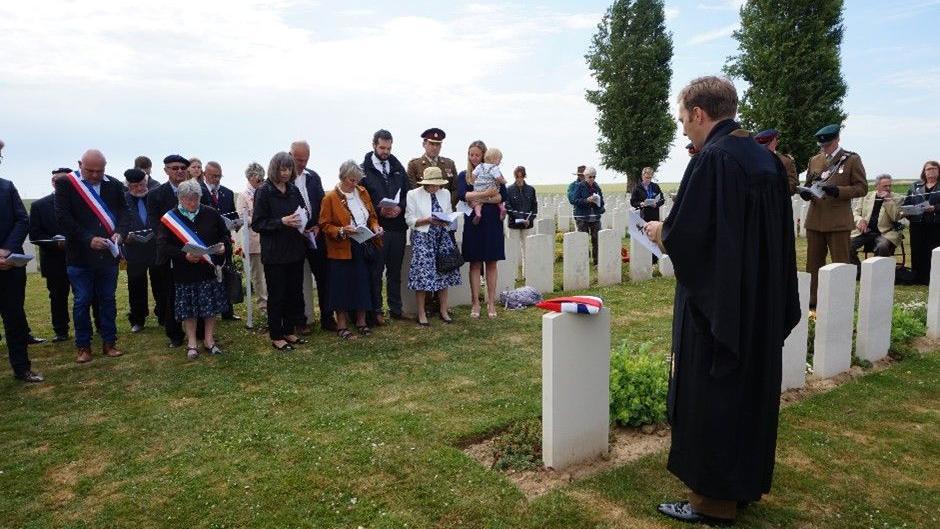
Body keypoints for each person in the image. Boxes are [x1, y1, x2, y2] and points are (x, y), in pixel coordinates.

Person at [644, 75, 800, 526]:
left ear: (699, 113)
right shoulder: (765, 159)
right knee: (749, 394)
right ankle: (743, 484)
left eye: (683, 121)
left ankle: (712, 500)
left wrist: (661, 232)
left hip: (721, 309)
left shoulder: (712, 158)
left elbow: (691, 234)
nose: (684, 131)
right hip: (758, 303)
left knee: (714, 392)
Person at [55, 150, 132, 363]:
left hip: (108, 254)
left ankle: (109, 342)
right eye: (90, 171)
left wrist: (121, 233)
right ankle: (83, 346)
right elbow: (63, 219)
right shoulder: (66, 185)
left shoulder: (114, 185)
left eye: (100, 170)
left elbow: (125, 213)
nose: (96, 175)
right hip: (80, 256)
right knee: (82, 300)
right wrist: (87, 239)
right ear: (80, 165)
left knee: (107, 299)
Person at [157, 180, 230, 360]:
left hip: (208, 270)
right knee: (189, 310)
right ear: (179, 198)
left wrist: (223, 246)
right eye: (187, 199)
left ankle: (209, 340)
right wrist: (184, 256)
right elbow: (163, 245)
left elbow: (224, 235)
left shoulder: (211, 213)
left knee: (210, 308)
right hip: (184, 272)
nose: (192, 203)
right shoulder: (170, 218)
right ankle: (191, 342)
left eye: (195, 199)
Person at [798, 124, 867, 308]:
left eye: (827, 145)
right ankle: (813, 301)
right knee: (813, 264)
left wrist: (838, 191)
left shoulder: (851, 160)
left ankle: (840, 303)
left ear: (836, 140)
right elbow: (810, 183)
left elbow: (862, 188)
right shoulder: (815, 160)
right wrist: (806, 193)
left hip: (838, 221)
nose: (824, 149)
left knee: (840, 264)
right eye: (821, 146)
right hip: (815, 220)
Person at [147, 155, 212, 347]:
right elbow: (155, 224)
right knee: (172, 295)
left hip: (197, 251)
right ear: (166, 170)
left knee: (199, 292)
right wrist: (178, 248)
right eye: (174, 168)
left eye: (183, 167)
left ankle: (200, 332)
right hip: (171, 253)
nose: (179, 171)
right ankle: (175, 334)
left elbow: (207, 217)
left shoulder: (199, 191)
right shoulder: (156, 195)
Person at [251, 152, 311, 351]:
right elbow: (258, 223)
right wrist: (282, 222)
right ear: (274, 169)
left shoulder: (293, 189)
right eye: (282, 169)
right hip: (275, 252)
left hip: (294, 249)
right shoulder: (264, 191)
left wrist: (302, 219)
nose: (286, 173)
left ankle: (289, 330)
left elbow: (304, 210)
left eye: (289, 169)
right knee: (277, 295)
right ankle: (276, 334)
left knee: (293, 293)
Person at [319, 161, 384, 339]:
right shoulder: (330, 198)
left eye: (357, 180)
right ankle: (341, 325)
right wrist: (341, 230)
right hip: (342, 248)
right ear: (343, 177)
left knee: (363, 283)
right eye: (351, 180)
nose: (354, 183)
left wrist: (376, 226)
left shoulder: (362, 192)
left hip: (363, 244)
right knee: (342, 286)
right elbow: (324, 225)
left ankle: (362, 322)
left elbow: (372, 216)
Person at [0, 139, 43, 382]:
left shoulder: (6, 188)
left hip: (9, 267)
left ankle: (21, 367)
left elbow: (21, 220)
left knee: (14, 319)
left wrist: (6, 250)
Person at [360, 129, 409, 322]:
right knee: (376, 271)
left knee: (395, 271)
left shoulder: (397, 167)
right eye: (382, 147)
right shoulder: (364, 169)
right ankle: (376, 310)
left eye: (388, 148)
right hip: (377, 227)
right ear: (374, 145)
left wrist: (400, 207)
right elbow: (361, 197)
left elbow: (408, 193)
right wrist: (378, 211)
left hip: (397, 226)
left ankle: (396, 309)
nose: (385, 151)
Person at [406, 167, 462, 326]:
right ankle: (422, 313)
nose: (435, 188)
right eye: (432, 185)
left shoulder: (445, 193)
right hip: (423, 236)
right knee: (423, 274)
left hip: (441, 236)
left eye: (437, 185)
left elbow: (449, 212)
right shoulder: (413, 194)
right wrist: (428, 220)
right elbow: (409, 219)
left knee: (443, 271)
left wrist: (447, 220)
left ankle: (444, 310)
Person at [457, 140, 505, 318]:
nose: (474, 158)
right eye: (471, 154)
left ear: (484, 155)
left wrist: (479, 199)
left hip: (492, 221)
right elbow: (463, 195)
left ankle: (491, 303)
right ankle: (475, 302)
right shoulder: (464, 175)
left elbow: (502, 196)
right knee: (475, 263)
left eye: (477, 154)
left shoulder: (494, 171)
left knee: (491, 262)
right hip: (474, 223)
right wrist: (486, 194)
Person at [290, 140, 335, 333]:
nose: (302, 164)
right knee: (296, 279)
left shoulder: (313, 177)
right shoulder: (283, 179)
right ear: (290, 155)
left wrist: (318, 224)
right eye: (299, 160)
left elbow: (321, 203)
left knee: (324, 277)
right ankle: (300, 320)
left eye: (305, 159)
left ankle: (327, 317)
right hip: (295, 236)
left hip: (316, 235)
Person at [29, 168, 74, 342]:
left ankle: (94, 327)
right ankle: (61, 331)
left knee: (86, 295)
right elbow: (35, 235)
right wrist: (55, 243)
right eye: (56, 180)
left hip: (79, 257)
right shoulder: (39, 206)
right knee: (57, 297)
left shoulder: (80, 203)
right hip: (54, 260)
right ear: (52, 183)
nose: (59, 183)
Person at [123, 169, 163, 333]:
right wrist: (125, 236)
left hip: (155, 248)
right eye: (135, 186)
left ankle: (163, 316)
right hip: (134, 249)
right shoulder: (123, 200)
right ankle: (138, 319)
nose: (139, 188)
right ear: (128, 186)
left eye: (142, 184)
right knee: (136, 285)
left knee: (161, 283)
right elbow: (118, 221)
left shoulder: (154, 197)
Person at [203, 161, 240, 321]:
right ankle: (210, 310)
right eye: (213, 176)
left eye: (219, 176)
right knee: (208, 276)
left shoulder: (227, 192)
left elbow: (233, 215)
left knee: (226, 273)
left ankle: (227, 311)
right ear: (205, 174)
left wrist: (237, 223)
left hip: (224, 240)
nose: (217, 179)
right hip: (206, 241)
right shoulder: (199, 191)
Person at [851, 174, 903, 269]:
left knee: (882, 246)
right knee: (847, 245)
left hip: (885, 232)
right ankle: (858, 270)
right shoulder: (866, 196)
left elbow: (896, 217)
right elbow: (855, 212)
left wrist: (888, 201)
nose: (888, 188)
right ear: (877, 186)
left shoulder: (897, 198)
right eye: (885, 186)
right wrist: (860, 220)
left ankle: (876, 271)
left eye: (889, 186)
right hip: (865, 231)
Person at [235, 162, 267, 312]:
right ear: (250, 177)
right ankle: (263, 305)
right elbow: (243, 218)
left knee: (268, 274)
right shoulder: (243, 195)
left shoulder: (264, 192)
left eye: (262, 178)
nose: (260, 181)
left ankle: (271, 302)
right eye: (258, 179)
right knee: (258, 275)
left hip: (267, 239)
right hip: (253, 241)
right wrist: (259, 218)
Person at [902, 161, 940, 284]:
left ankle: (932, 278)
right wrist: (907, 211)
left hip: (936, 224)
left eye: (934, 168)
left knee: (933, 250)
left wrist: (935, 208)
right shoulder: (915, 186)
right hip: (917, 223)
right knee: (917, 250)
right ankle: (917, 277)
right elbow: (907, 202)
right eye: (928, 169)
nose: (931, 171)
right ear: (924, 172)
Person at [406, 128, 459, 206]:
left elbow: (455, 189)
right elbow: (413, 190)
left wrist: (445, 206)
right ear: (424, 144)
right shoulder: (414, 165)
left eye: (438, 144)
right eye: (432, 144)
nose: (435, 147)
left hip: (446, 212)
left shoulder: (449, 164)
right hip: (422, 211)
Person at [505, 165, 537, 276]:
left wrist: (530, 218)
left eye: (521, 176)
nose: (519, 179)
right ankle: (512, 275)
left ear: (524, 176)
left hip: (527, 225)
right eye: (517, 177)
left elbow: (534, 207)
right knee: (513, 250)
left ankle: (526, 274)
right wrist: (519, 217)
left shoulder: (531, 190)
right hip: (514, 224)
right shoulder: (509, 189)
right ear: (514, 176)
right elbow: (508, 207)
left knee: (527, 250)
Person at [466, 147, 507, 224]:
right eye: (499, 160)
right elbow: (498, 178)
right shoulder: (494, 168)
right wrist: (503, 181)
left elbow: (473, 174)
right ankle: (502, 208)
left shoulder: (480, 166)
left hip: (479, 187)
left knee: (478, 203)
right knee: (497, 196)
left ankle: (478, 213)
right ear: (494, 159)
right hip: (491, 187)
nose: (500, 162)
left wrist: (474, 181)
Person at [573, 166, 605, 265]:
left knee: (596, 240)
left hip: (595, 217)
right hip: (582, 217)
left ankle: (597, 261)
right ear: (585, 176)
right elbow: (575, 200)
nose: (592, 179)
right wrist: (587, 200)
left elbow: (602, 202)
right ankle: (584, 261)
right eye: (590, 177)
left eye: (594, 177)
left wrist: (598, 201)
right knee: (583, 240)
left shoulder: (597, 187)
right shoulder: (579, 186)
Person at [754, 129, 798, 195]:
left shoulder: (785, 161)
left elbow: (792, 185)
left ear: (775, 142)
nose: (765, 147)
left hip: (778, 202)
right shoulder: (753, 160)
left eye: (768, 143)